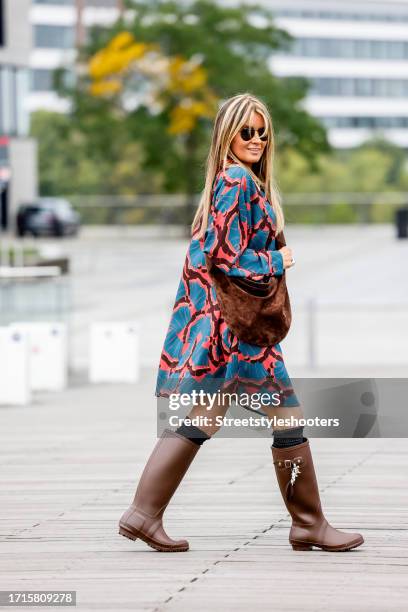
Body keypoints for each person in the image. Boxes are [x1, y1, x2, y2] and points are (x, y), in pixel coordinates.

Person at [118, 93, 364, 553]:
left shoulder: (235, 180)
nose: (256, 139)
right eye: (246, 131)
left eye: (262, 131)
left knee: (205, 417)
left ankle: (143, 513)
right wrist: (277, 258)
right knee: (286, 416)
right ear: (226, 135)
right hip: (240, 331)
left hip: (225, 326)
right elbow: (224, 255)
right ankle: (308, 523)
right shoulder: (236, 180)